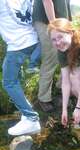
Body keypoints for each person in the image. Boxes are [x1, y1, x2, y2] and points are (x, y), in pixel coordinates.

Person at [0, 0, 41, 136]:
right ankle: (25, 109)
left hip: (18, 45)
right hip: (33, 40)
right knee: (15, 77)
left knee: (8, 82)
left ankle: (31, 118)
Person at [32, 0, 70, 112]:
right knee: (51, 59)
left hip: (60, 24)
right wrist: (54, 27)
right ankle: (43, 98)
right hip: (47, 21)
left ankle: (60, 89)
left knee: (67, 57)